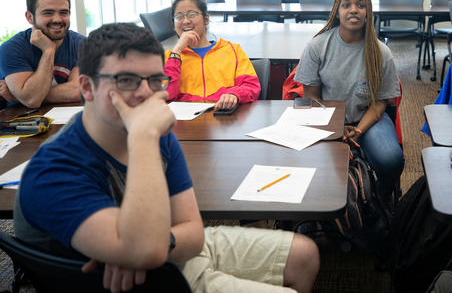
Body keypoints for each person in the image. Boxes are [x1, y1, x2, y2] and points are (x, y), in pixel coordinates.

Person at [14, 23, 319, 293]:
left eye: (155, 81)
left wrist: (155, 246)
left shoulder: (156, 133)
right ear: (87, 87)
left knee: (305, 254)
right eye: (126, 80)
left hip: (164, 256)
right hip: (132, 284)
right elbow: (145, 251)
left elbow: (192, 233)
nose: (146, 94)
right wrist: (144, 138)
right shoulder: (55, 170)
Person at [294, 0, 404, 198]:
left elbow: (380, 102)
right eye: (346, 5)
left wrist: (359, 130)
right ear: (337, 11)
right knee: (306, 159)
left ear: (368, 12)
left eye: (360, 5)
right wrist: (336, 126)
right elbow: (312, 97)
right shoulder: (317, 47)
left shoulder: (382, 52)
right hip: (326, 118)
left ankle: (377, 202)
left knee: (391, 160)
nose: (353, 10)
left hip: (368, 119)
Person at [165, 0, 260, 110]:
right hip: (184, 123)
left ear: (206, 19)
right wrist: (176, 51)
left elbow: (251, 86)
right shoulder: (170, 58)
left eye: (192, 15)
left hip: (224, 118)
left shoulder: (233, 50)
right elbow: (165, 96)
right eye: (179, 17)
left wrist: (234, 94)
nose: (185, 21)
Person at [0, 0, 84, 108]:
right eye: (48, 13)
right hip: (21, 123)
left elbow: (79, 90)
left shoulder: (82, 45)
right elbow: (32, 100)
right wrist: (49, 50)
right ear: (30, 17)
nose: (57, 19)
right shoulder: (11, 49)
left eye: (63, 12)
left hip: (67, 119)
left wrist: (19, 97)